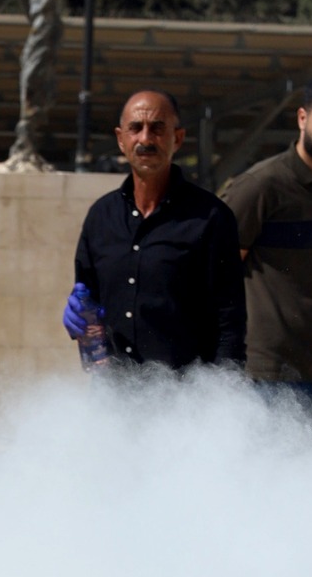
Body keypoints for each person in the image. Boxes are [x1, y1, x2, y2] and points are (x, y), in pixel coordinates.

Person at [220, 71, 312, 439]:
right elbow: (214, 277)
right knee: (269, 478)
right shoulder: (260, 186)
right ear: (303, 118)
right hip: (267, 379)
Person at [64, 89, 244, 370]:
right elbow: (87, 300)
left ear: (178, 138)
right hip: (113, 389)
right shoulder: (101, 216)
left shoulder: (211, 218)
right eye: (135, 128)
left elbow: (229, 318)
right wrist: (77, 319)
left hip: (187, 390)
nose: (146, 139)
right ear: (120, 139)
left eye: (157, 129)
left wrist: (226, 389)